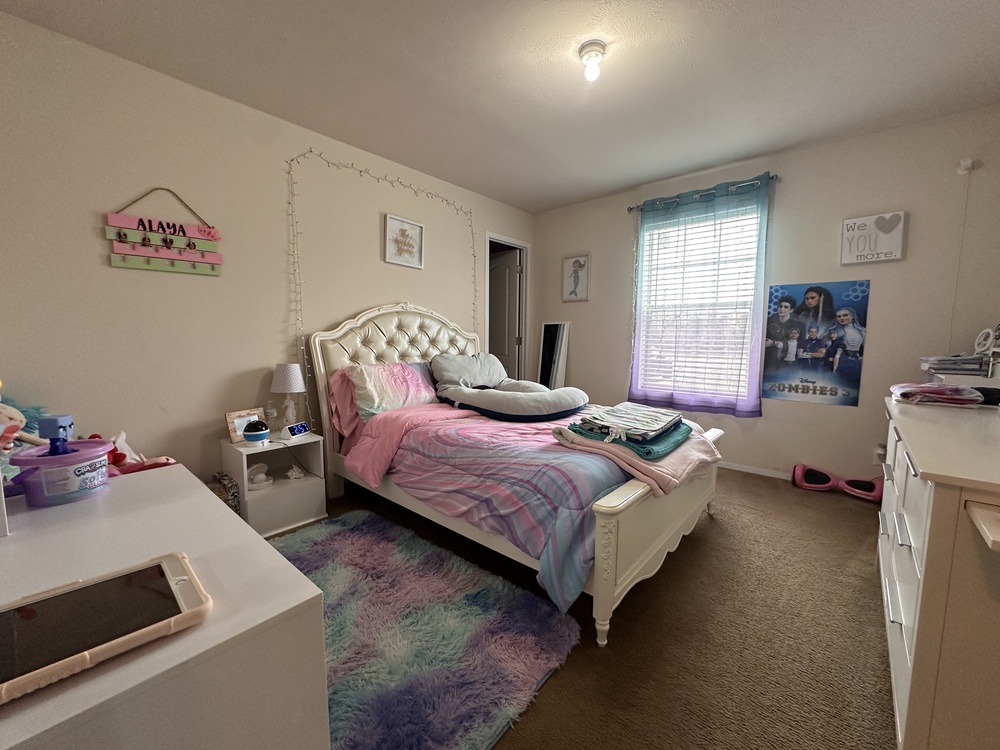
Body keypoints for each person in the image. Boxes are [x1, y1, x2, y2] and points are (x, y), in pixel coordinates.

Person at [764, 295, 805, 373]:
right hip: (770, 362)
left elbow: (802, 344)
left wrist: (774, 343)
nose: (782, 309)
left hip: (790, 362)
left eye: (786, 307)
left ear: (791, 310)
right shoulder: (768, 323)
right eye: (780, 306)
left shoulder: (799, 326)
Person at [826, 306, 866, 385]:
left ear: (852, 316)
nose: (842, 318)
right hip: (841, 360)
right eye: (839, 316)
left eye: (845, 315)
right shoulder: (835, 331)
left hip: (857, 361)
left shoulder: (862, 331)